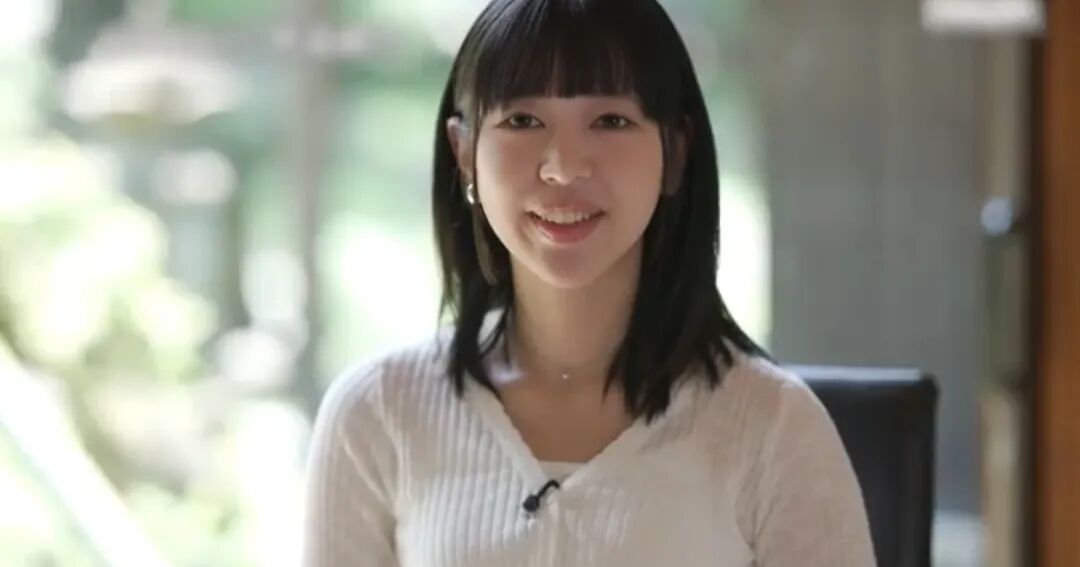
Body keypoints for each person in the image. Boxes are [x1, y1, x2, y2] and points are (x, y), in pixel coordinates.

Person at [301, 0, 876, 565]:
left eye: (610, 121)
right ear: (465, 152)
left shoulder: (775, 427)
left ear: (675, 152)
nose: (564, 167)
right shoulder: (376, 412)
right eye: (523, 120)